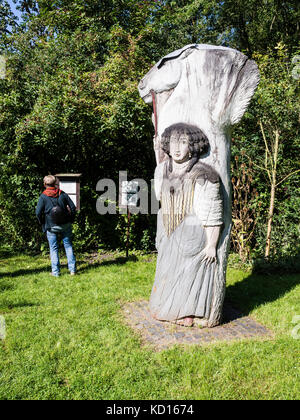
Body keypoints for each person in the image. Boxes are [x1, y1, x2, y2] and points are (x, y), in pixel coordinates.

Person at [150, 123, 223, 327]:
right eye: (174, 142)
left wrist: (211, 244)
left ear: (193, 145)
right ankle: (164, 306)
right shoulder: (161, 169)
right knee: (166, 271)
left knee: (188, 274)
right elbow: (159, 197)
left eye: (183, 142)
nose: (177, 148)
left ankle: (187, 312)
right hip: (167, 228)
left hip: (192, 234)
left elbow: (212, 213)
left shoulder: (204, 174)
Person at [36, 175, 77, 277]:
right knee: (68, 246)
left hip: (51, 226)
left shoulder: (43, 197)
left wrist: (42, 223)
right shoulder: (62, 194)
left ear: (45, 184)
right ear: (55, 183)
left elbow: (38, 213)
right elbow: (73, 207)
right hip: (65, 224)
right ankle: (72, 270)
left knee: (53, 248)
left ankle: (56, 272)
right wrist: (71, 219)